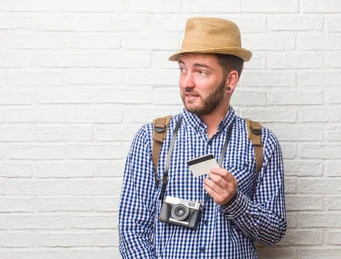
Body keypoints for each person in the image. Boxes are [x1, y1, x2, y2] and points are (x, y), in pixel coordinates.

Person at [118, 17, 287, 259]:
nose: (187, 83)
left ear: (230, 81)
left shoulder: (261, 143)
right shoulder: (152, 139)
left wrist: (233, 201)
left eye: (201, 71)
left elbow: (274, 234)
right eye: (183, 69)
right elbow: (132, 231)